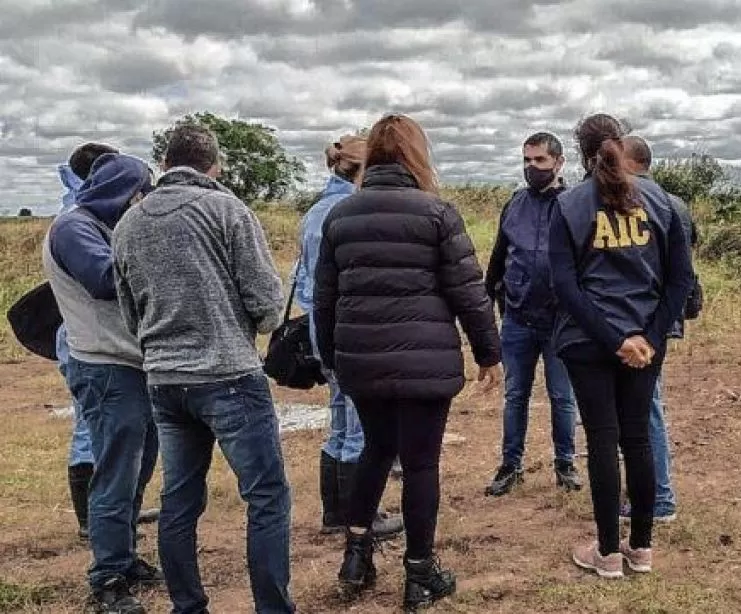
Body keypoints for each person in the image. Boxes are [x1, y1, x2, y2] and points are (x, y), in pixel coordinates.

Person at [314, 113, 503, 610]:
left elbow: (325, 299)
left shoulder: (340, 215)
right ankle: (419, 574)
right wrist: (488, 353)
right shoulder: (438, 213)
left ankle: (357, 556)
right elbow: (469, 293)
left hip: (360, 362)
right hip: (425, 363)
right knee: (420, 464)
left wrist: (334, 358)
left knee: (375, 451)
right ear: (417, 155)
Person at [112, 125, 294, 614]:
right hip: (228, 375)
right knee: (267, 497)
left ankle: (187, 605)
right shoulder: (227, 210)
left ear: (166, 163)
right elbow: (266, 302)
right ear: (214, 165)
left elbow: (130, 313)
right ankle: (272, 608)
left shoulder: (128, 223)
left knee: (179, 500)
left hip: (165, 379)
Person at [548, 114, 693, 578]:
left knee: (603, 440)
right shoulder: (664, 203)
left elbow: (565, 286)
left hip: (588, 342)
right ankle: (642, 549)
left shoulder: (569, 204)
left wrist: (614, 340)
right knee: (637, 439)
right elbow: (681, 280)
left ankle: (608, 554)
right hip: (645, 344)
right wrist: (646, 339)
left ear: (581, 152)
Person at [43, 152, 161, 614]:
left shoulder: (97, 223)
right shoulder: (74, 228)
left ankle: (124, 556)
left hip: (129, 362)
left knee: (138, 465)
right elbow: (104, 279)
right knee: (115, 472)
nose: (143, 199)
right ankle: (108, 575)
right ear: (122, 190)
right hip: (105, 364)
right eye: (140, 190)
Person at [293, 135, 403, 538]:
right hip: (348, 330)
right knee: (361, 425)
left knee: (340, 421)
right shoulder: (347, 211)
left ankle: (335, 514)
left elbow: (302, 278)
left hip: (320, 329)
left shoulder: (315, 212)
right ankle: (362, 516)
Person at [483, 132, 581, 497]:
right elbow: (497, 258)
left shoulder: (574, 205)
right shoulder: (515, 204)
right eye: (526, 160)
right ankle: (510, 465)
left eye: (539, 161)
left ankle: (565, 463)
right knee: (515, 395)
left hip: (561, 322)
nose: (531, 168)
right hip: (518, 318)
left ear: (558, 163)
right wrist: (487, 302)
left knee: (561, 396)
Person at [617, 135, 699, 524]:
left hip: (640, 323)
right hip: (662, 320)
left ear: (628, 162)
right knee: (643, 406)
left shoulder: (639, 202)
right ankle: (648, 492)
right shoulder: (675, 203)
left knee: (645, 408)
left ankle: (659, 499)